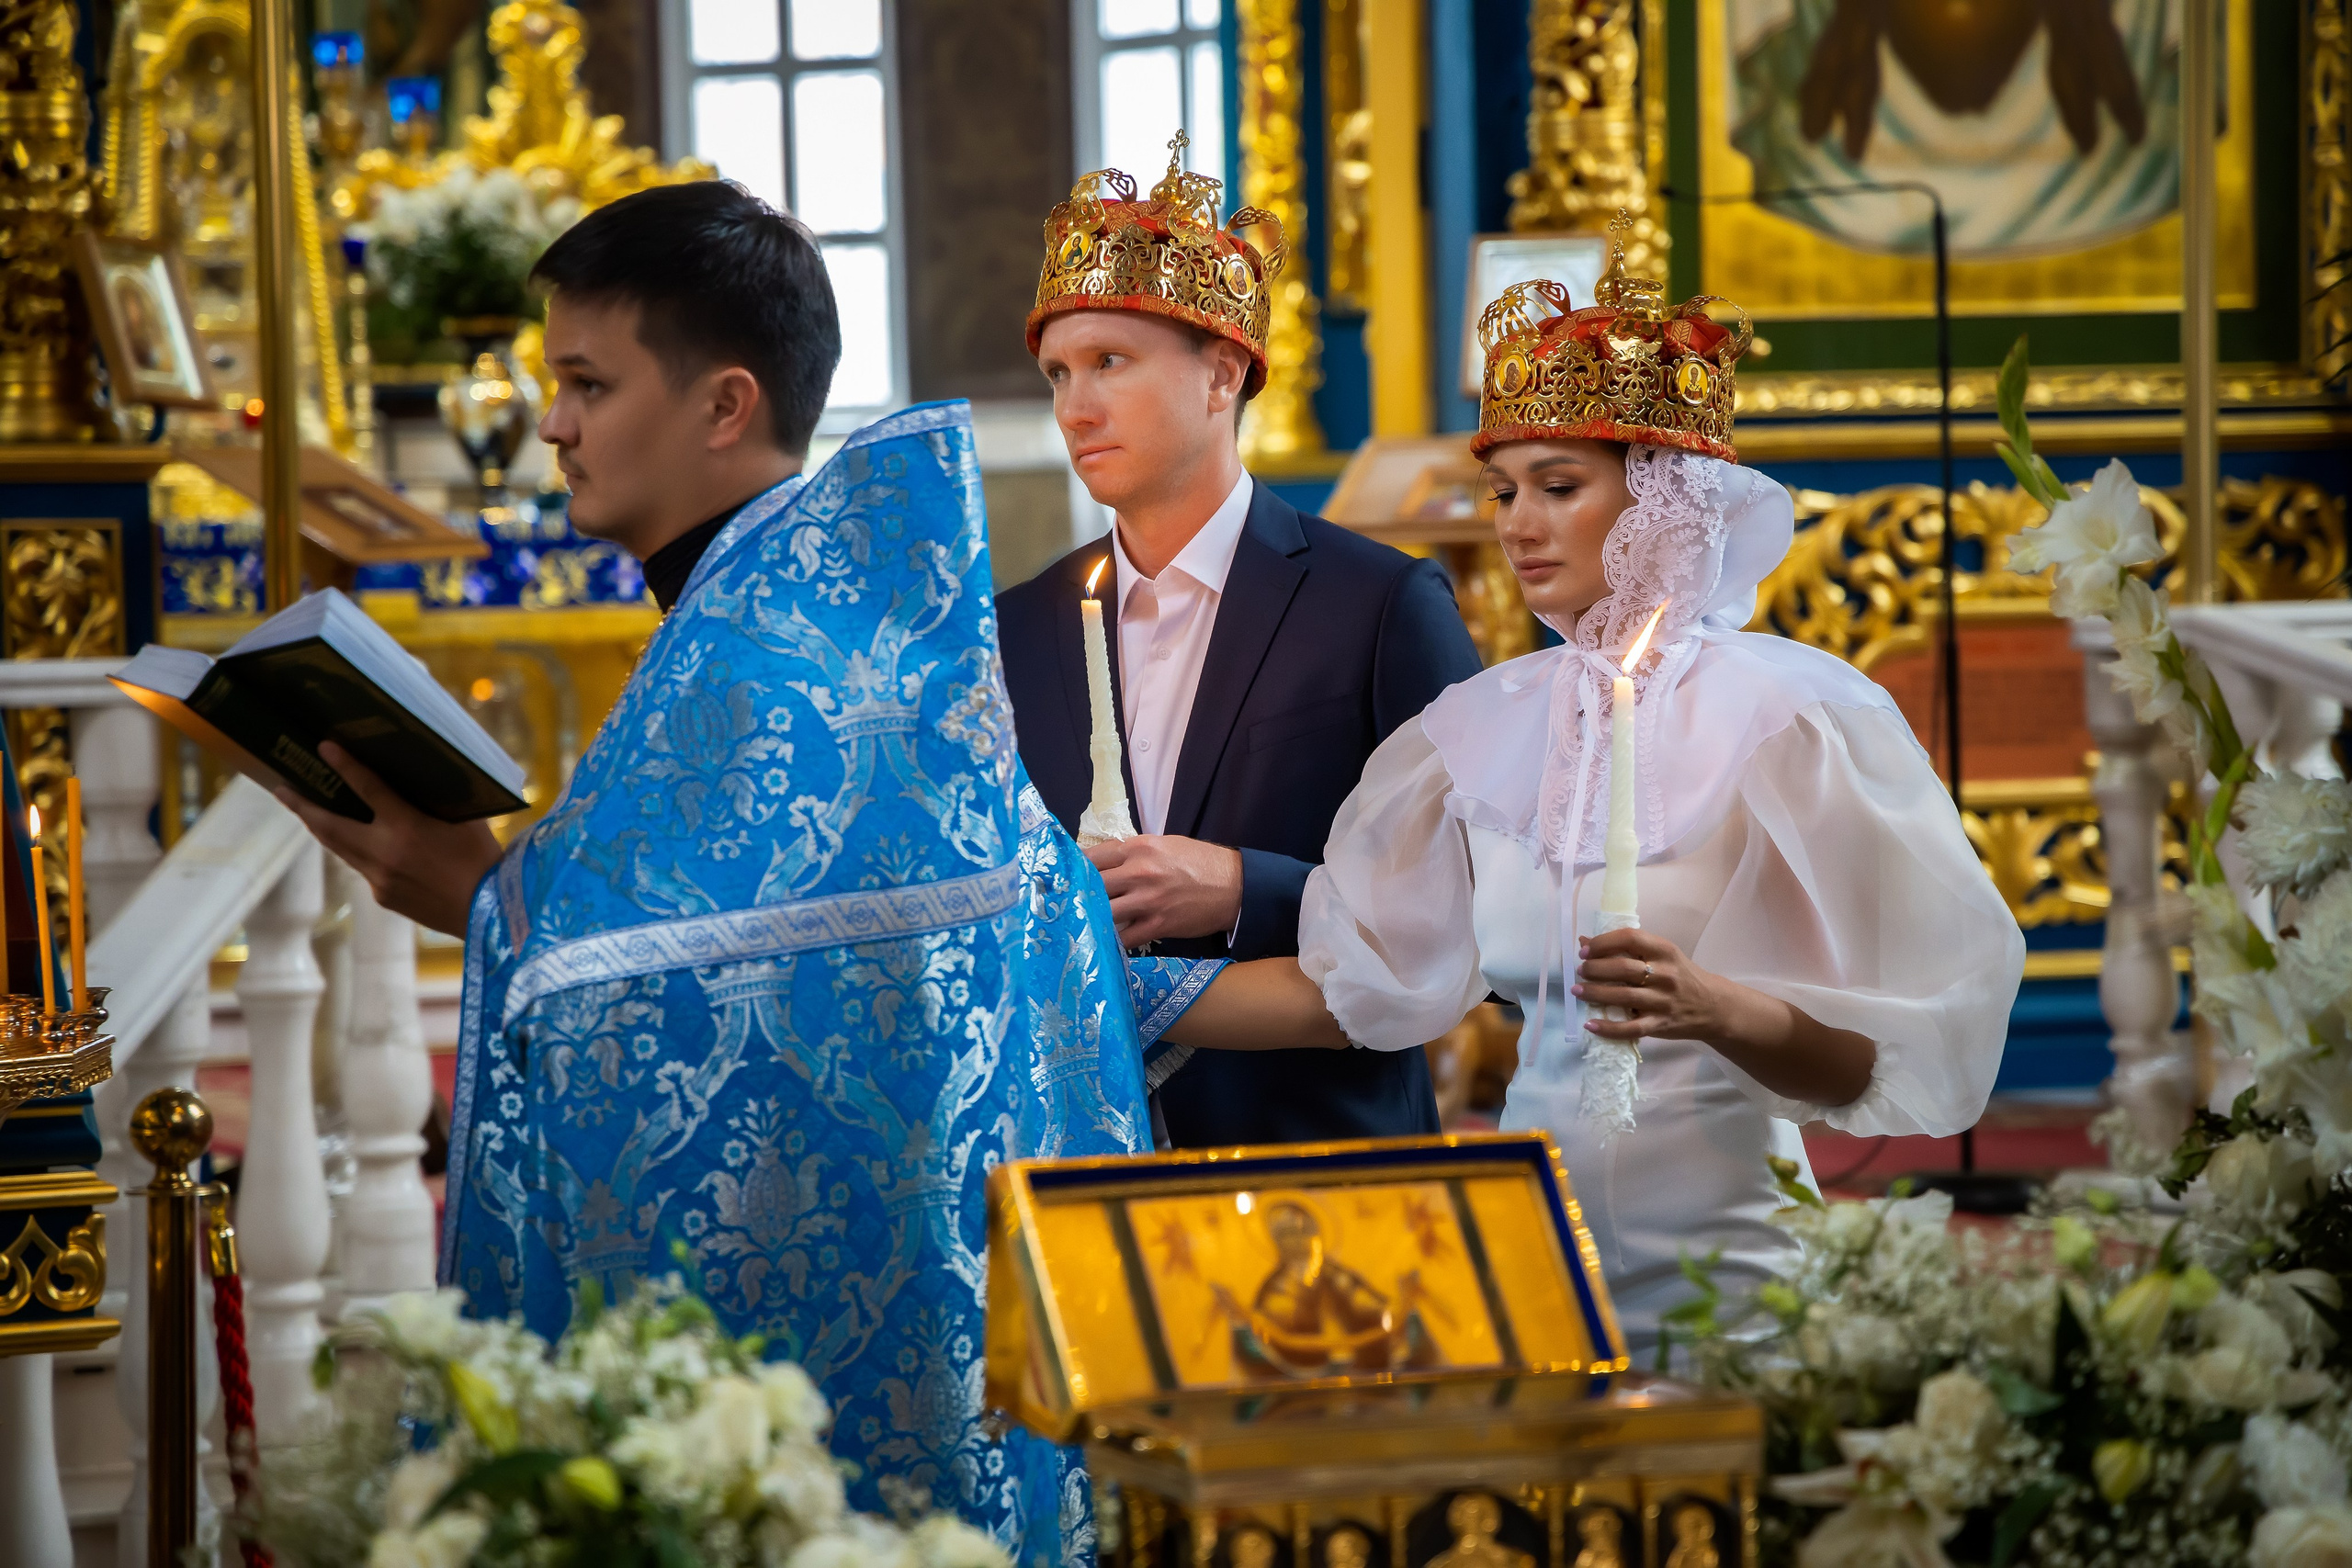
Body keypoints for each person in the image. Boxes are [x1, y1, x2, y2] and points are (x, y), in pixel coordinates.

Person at [269, 180, 1214, 1566]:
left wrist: (485, 903)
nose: (552, 424)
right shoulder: (842, 634)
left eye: (588, 381)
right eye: (552, 381)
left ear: (722, 405)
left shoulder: (764, 669)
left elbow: (650, 991)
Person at [1158, 235, 2024, 1349]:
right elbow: (1355, 985)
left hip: (1738, 1280)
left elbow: (1892, 1055)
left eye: (1558, 487)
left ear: (1663, 497)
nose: (1517, 524)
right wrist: (1095, 984)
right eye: (1504, 489)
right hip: (1534, 1266)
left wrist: (1718, 1009)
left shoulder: (1789, 721)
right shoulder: (1478, 733)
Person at [996, 137, 1483, 1147]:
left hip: (1318, 1153)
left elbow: (1477, 901)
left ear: (1222, 376)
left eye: (1109, 364)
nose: (1073, 408)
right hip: (1078, 1155)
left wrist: (1239, 884)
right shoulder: (1015, 629)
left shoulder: (1381, 604)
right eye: (1056, 373)